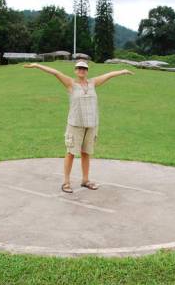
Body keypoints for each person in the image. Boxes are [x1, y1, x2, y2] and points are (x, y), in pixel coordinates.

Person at [24, 60, 134, 193]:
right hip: (75, 124)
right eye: (79, 68)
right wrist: (37, 65)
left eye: (84, 68)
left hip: (91, 124)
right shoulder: (71, 83)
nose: (81, 70)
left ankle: (85, 180)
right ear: (75, 70)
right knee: (71, 153)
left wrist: (122, 71)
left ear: (87, 71)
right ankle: (66, 182)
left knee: (86, 153)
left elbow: (109, 75)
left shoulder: (93, 83)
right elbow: (55, 72)